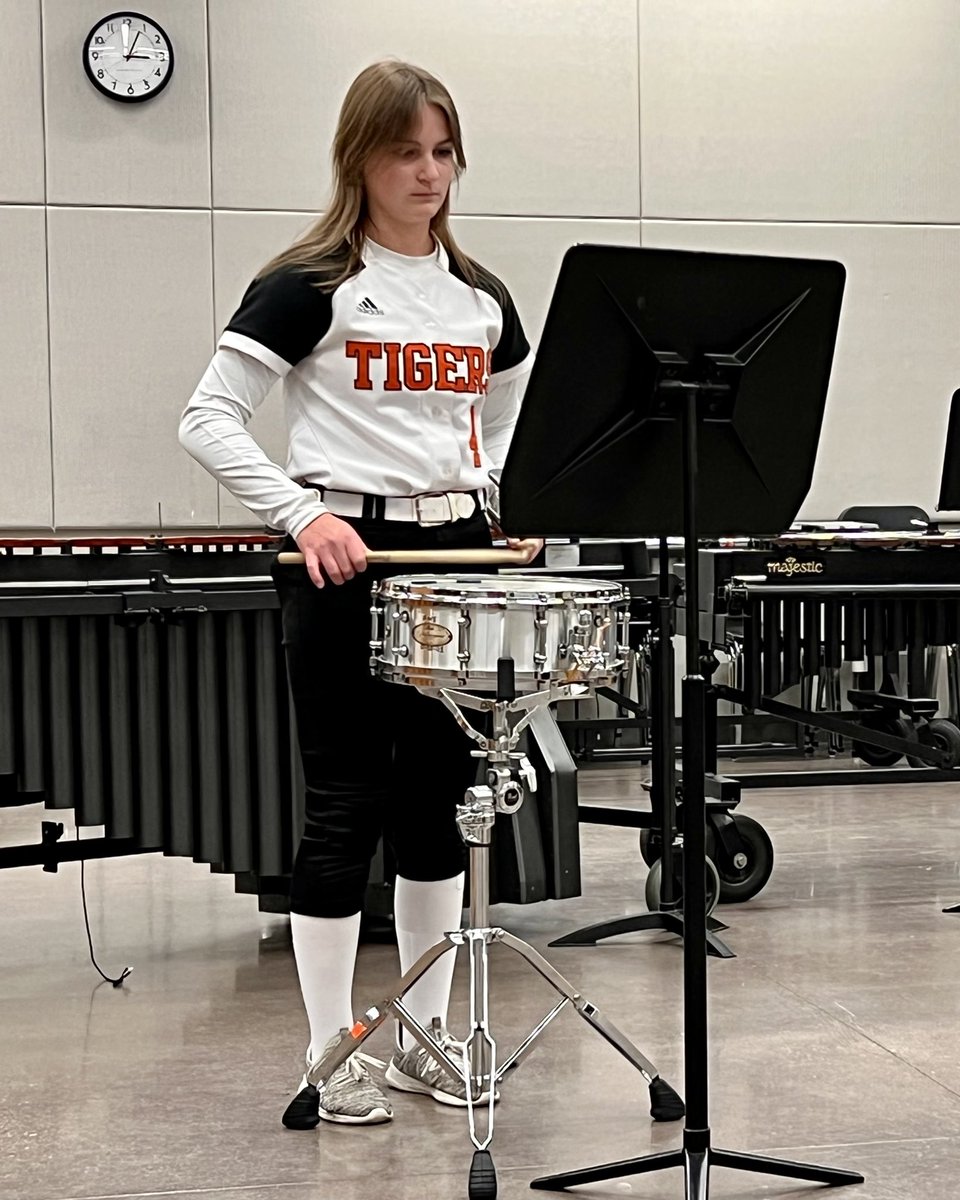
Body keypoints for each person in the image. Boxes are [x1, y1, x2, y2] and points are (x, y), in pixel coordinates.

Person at [179, 59, 540, 1125]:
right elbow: (207, 416)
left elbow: (511, 416)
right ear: (361, 161)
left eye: (443, 152)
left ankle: (420, 1038)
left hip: (458, 560)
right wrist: (303, 514)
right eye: (406, 153)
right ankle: (333, 1048)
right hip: (344, 557)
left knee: (437, 809)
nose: (429, 174)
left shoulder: (483, 298)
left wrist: (502, 494)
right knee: (345, 807)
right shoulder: (311, 286)